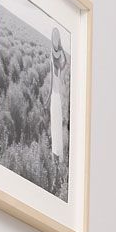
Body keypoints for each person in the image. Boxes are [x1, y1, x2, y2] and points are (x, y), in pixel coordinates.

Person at [48, 27, 66, 191]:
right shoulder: (51, 54)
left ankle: (59, 162)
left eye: (56, 36)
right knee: (54, 127)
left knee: (58, 127)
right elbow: (51, 74)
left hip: (58, 95)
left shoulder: (61, 55)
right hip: (54, 95)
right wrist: (48, 96)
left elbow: (62, 68)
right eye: (53, 36)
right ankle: (55, 161)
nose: (54, 39)